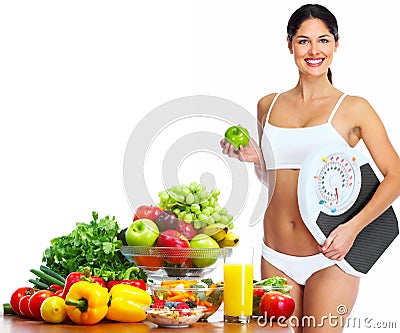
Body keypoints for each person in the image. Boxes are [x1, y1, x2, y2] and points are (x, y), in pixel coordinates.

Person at [221, 4, 400, 333]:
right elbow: (273, 181)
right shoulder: (268, 105)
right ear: (289, 45)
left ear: (336, 44)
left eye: (323, 40)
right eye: (303, 41)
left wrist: (353, 229)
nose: (314, 50)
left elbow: (396, 175)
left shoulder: (354, 108)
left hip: (330, 257)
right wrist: (257, 160)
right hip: (276, 255)